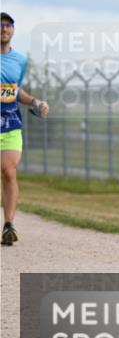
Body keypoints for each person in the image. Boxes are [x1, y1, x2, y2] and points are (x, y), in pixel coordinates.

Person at [1, 12, 50, 246]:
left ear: (13, 30)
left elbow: (15, 90)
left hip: (9, 123)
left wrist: (36, 102)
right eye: (0, 26)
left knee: (9, 171)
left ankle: (8, 225)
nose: (3, 29)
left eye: (7, 25)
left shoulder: (20, 61)